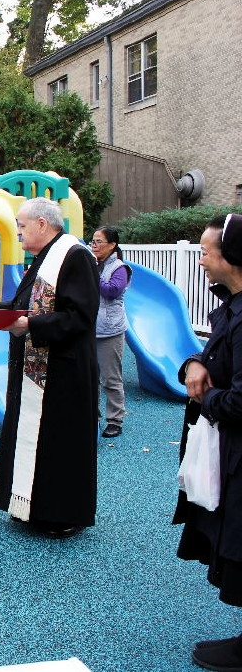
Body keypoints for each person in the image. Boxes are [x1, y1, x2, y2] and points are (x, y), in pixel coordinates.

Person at [0, 197, 99, 538]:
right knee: (32, 437)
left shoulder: (75, 256)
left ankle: (63, 515)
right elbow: (24, 304)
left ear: (42, 224)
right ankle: (30, 506)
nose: (18, 233)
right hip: (40, 369)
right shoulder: (43, 258)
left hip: (64, 371)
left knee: (59, 442)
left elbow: (80, 316)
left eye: (22, 226)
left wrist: (30, 327)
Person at [175, 214, 242, 671]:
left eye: (206, 252)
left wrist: (206, 394)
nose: (201, 260)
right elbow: (215, 348)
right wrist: (197, 361)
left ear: (230, 259)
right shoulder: (234, 307)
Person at [91, 226, 131, 438]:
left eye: (99, 242)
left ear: (112, 245)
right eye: (93, 242)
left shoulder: (119, 268)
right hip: (91, 329)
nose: (94, 246)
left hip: (110, 331)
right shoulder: (93, 264)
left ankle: (115, 419)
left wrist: (93, 274)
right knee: (91, 376)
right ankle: (93, 414)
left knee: (110, 378)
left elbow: (112, 291)